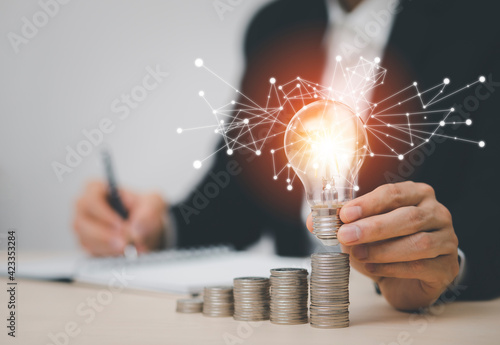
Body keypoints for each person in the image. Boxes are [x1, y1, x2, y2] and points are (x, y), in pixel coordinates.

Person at [73, 0, 500, 311]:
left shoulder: (481, 24)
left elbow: (489, 209)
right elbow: (235, 198)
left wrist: (447, 267)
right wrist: (157, 227)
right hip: (294, 321)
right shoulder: (277, 24)